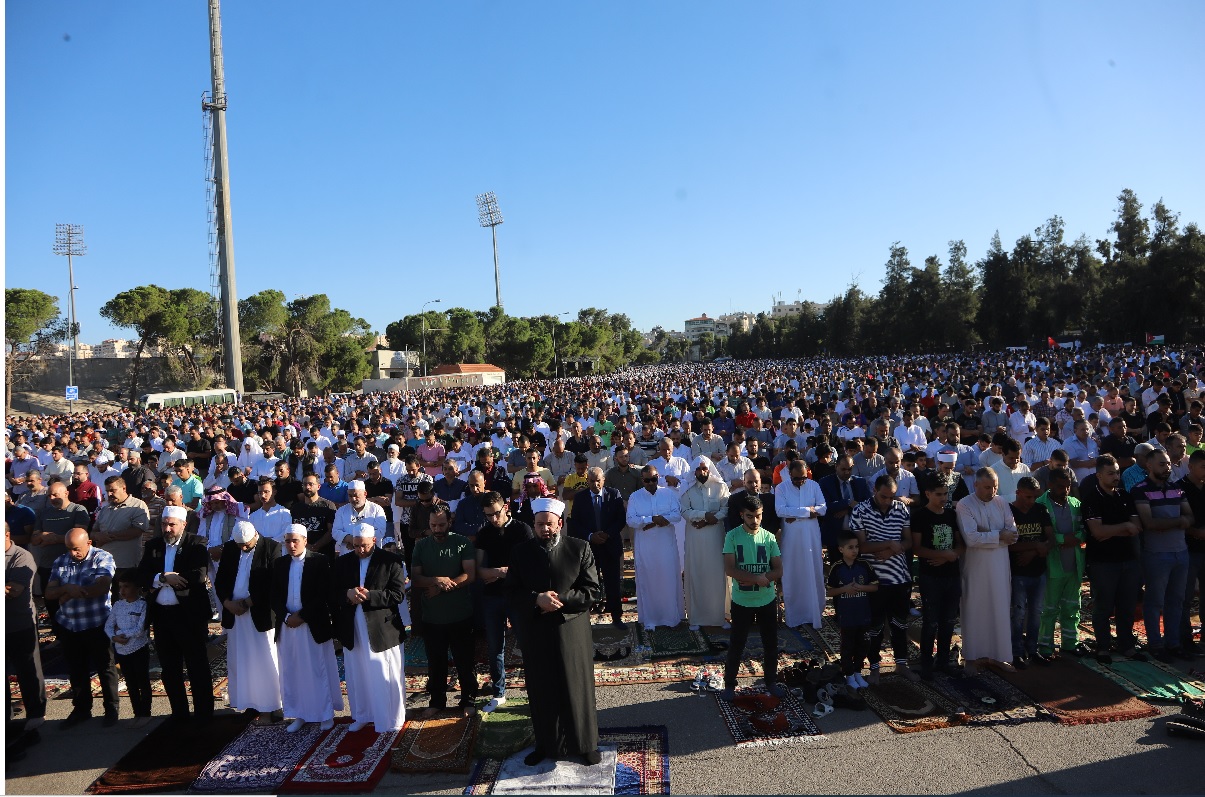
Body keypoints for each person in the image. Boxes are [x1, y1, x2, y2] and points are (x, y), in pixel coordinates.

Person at [505, 497, 604, 767]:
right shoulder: (520, 552)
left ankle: (585, 745)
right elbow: (511, 592)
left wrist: (559, 600)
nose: (544, 529)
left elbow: (592, 590)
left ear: (559, 523)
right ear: (533, 524)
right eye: (539, 524)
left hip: (571, 631)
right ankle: (546, 744)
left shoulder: (579, 548)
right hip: (536, 630)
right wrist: (536, 599)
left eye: (549, 524)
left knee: (576, 686)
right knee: (542, 687)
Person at [136, 505, 214, 723]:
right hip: (162, 616)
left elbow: (198, 576)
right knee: (170, 669)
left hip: (189, 615)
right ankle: (179, 714)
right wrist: (163, 578)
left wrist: (165, 580)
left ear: (183, 525)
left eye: (172, 524)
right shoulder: (154, 545)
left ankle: (204, 715)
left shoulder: (197, 543)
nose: (167, 529)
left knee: (197, 666)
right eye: (164, 524)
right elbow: (141, 575)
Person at [333, 522, 408, 733]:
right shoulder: (343, 562)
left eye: (364, 545)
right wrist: (347, 594)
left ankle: (391, 718)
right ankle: (363, 715)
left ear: (374, 541)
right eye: (356, 546)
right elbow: (332, 592)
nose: (360, 550)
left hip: (381, 629)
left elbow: (397, 595)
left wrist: (369, 596)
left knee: (384, 673)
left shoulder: (390, 561)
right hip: (354, 628)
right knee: (358, 674)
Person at [45, 527, 121, 728]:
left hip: (96, 622)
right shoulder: (60, 561)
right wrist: (65, 589)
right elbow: (49, 593)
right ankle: (81, 709)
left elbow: (102, 586)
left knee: (105, 666)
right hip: (69, 624)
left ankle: (111, 708)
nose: (72, 553)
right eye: (69, 549)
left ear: (88, 543)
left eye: (76, 549)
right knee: (76, 668)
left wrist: (70, 593)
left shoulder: (102, 558)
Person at [272, 524, 341, 733]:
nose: (291, 545)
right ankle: (299, 713)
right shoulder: (280, 563)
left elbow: (323, 594)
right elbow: (274, 595)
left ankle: (325, 714)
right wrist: (286, 616)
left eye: (295, 541)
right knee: (292, 671)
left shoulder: (319, 561)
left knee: (317, 669)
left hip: (311, 624)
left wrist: (302, 616)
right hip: (288, 626)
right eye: (288, 541)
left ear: (305, 540)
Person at [411, 504, 478, 718]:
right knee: (436, 662)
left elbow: (470, 575)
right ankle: (437, 701)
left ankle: (468, 699)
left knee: (465, 660)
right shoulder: (421, 546)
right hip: (432, 616)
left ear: (450, 522)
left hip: (460, 614)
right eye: (433, 525)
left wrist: (442, 587)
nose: (437, 529)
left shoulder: (462, 543)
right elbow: (416, 578)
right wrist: (436, 580)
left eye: (441, 525)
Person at [849, 475, 916, 682]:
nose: (888, 501)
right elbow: (861, 547)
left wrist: (894, 549)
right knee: (875, 626)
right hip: (874, 579)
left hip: (899, 576)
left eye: (891, 497)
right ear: (874, 491)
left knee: (900, 623)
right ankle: (874, 668)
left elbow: (908, 541)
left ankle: (901, 664)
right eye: (883, 496)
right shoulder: (860, 511)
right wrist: (888, 544)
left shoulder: (901, 509)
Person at [719, 492, 784, 701]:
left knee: (770, 644)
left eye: (758, 516)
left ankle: (771, 681)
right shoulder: (732, 536)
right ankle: (730, 684)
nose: (755, 520)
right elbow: (730, 569)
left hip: (767, 601)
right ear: (741, 515)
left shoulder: (769, 537)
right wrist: (758, 578)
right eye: (750, 516)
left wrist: (758, 579)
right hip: (742, 602)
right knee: (737, 644)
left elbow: (779, 570)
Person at [1080, 455, 1145, 664]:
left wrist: (1113, 530)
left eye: (1117, 472)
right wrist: (1124, 527)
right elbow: (1098, 532)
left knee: (1127, 605)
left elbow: (1136, 527)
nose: (1116, 476)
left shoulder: (1125, 495)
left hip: (1129, 559)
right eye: (1111, 473)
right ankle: (1103, 647)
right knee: (1104, 606)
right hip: (1103, 562)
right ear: (1099, 475)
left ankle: (1126, 645)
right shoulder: (1092, 499)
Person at [216, 520, 282, 720]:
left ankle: (274, 705)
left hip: (259, 614)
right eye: (240, 545)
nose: (243, 549)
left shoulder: (271, 547)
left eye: (246, 545)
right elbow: (221, 580)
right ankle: (250, 703)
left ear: (255, 536)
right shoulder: (231, 548)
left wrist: (247, 602)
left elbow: (273, 583)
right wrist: (227, 603)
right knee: (242, 661)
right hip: (236, 616)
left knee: (266, 660)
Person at [1132, 449, 1194, 662]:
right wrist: (1179, 522)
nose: (1167, 467)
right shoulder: (1140, 490)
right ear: (1149, 466)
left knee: (1176, 600)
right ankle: (1156, 645)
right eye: (1162, 464)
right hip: (1156, 554)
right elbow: (1150, 523)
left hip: (1180, 553)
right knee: (1155, 601)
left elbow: (1190, 517)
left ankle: (1173, 643)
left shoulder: (1176, 489)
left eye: (1167, 464)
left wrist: (1171, 523)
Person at [474, 492, 534, 712]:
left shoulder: (522, 530)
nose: (493, 519)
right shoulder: (484, 533)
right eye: (488, 515)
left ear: (505, 507)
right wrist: (500, 572)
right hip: (492, 597)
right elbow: (478, 571)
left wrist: (498, 573)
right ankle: (499, 693)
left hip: (518, 596)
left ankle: (535, 689)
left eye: (496, 513)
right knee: (495, 647)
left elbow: (529, 568)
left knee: (527, 644)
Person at [956, 468, 1019, 672]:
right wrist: (999, 536)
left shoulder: (1001, 502)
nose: (992, 491)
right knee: (974, 609)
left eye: (995, 487)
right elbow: (971, 539)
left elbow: (1013, 534)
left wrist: (989, 534)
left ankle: (999, 656)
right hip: (975, 567)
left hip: (1000, 566)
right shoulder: (965, 504)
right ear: (976, 485)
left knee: (1000, 609)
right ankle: (971, 657)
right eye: (987, 487)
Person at [911, 473, 964, 679]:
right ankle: (926, 662)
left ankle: (943, 660)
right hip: (930, 576)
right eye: (939, 494)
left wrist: (950, 556)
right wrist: (941, 556)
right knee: (931, 621)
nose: (943, 498)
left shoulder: (951, 515)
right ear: (928, 494)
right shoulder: (920, 517)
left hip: (952, 575)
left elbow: (960, 545)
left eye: (945, 494)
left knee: (948, 620)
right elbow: (917, 548)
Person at [1034, 468, 1086, 661]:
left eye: (1068, 486)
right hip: (1052, 566)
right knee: (1049, 609)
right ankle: (1044, 647)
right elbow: (1039, 535)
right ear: (1049, 485)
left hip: (1074, 564)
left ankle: (1070, 644)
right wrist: (1063, 539)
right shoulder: (1040, 505)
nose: (1065, 490)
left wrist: (1078, 537)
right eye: (1060, 486)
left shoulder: (1076, 504)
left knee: (1072, 607)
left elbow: (1084, 529)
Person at [625, 464, 684, 631]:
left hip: (666, 545)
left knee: (668, 578)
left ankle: (671, 618)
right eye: (647, 480)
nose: (651, 483)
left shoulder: (668, 494)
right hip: (646, 547)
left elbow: (677, 515)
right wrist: (651, 519)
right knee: (649, 579)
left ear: (658, 477)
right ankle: (651, 619)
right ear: (642, 480)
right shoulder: (635, 497)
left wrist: (658, 520)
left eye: (654, 479)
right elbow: (631, 520)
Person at [568, 467, 627, 627]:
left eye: (598, 480)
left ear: (604, 480)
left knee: (613, 583)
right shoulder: (580, 498)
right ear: (587, 481)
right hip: (589, 549)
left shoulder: (614, 494)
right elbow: (575, 524)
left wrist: (607, 534)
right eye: (592, 481)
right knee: (588, 584)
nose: (595, 484)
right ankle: (585, 619)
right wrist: (590, 536)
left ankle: (616, 617)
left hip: (610, 546)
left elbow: (621, 519)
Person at [774, 459, 827, 630]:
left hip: (811, 537)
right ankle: (795, 616)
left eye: (803, 478)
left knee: (812, 571)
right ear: (790, 474)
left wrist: (794, 515)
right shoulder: (781, 488)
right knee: (793, 573)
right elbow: (780, 510)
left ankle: (813, 614)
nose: (800, 481)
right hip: (792, 540)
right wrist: (807, 511)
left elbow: (822, 509)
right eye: (796, 478)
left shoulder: (814, 485)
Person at [679, 456, 731, 629]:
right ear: (694, 471)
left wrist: (709, 520)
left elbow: (726, 508)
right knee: (697, 572)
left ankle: (720, 617)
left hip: (716, 536)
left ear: (709, 469)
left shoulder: (720, 486)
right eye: (699, 469)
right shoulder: (687, 488)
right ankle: (696, 618)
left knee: (717, 574)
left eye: (705, 468)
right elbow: (684, 511)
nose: (702, 472)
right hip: (696, 536)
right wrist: (703, 515)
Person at [1008, 477, 1052, 669]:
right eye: (1028, 497)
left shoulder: (1041, 509)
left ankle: (1032, 649)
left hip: (1038, 570)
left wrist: (1033, 552)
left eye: (1035, 497)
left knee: (1036, 612)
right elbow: (1008, 544)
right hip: (1018, 572)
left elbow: (1051, 539)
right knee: (1018, 613)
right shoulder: (1009, 512)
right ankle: (1016, 652)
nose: (1032, 501)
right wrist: (1036, 546)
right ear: (1018, 493)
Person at [6, 522, 46, 731]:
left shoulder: (21, 557)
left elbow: (14, 590)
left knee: (28, 670)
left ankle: (36, 713)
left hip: (20, 624)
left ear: (7, 535)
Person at [826, 530, 878, 691]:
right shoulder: (836, 568)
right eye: (850, 547)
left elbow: (875, 587)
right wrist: (845, 589)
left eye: (856, 547)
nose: (855, 550)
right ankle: (848, 675)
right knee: (848, 646)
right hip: (847, 615)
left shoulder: (864, 565)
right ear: (841, 549)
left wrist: (860, 587)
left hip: (863, 614)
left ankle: (857, 672)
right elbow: (829, 591)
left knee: (863, 645)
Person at [104, 573, 153, 728]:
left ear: (137, 588)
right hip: (122, 650)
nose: (122, 590)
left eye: (126, 586)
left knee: (142, 681)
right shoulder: (118, 605)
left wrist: (120, 633)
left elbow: (140, 629)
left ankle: (146, 713)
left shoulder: (143, 605)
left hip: (138, 648)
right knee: (131, 683)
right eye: (120, 587)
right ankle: (136, 712)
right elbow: (108, 625)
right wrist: (114, 637)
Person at [90, 475, 150, 591]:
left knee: (125, 597)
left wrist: (109, 537)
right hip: (104, 564)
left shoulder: (138, 506)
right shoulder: (105, 509)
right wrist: (97, 536)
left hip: (125, 564)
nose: (109, 494)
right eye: (107, 491)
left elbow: (137, 530)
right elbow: (93, 532)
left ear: (124, 488)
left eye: (113, 490)